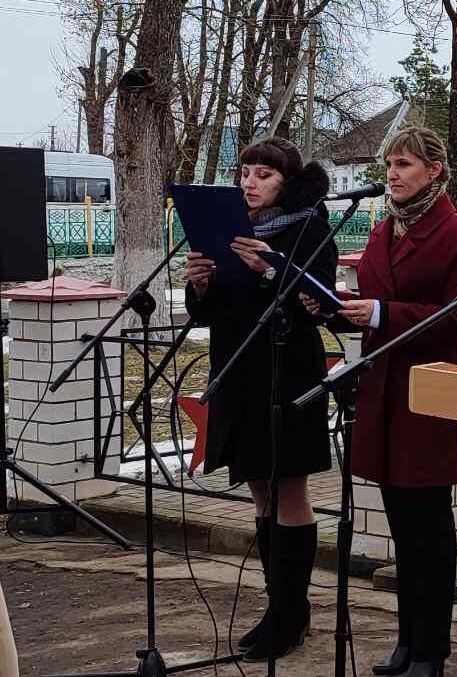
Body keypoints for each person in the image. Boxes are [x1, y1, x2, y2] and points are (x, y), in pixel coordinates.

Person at [308, 126, 457, 677]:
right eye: (389, 165)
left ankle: (432, 650)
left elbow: (455, 319)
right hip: (383, 390)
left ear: (434, 170)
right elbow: (373, 303)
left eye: (403, 164)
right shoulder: (385, 228)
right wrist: (332, 307)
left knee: (430, 529)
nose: (391, 174)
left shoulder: (456, 234)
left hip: (429, 394)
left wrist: (381, 313)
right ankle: (407, 643)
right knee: (402, 530)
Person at [182, 137, 336, 661]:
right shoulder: (229, 230)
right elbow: (210, 313)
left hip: (287, 374)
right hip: (238, 372)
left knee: (288, 491)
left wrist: (269, 269)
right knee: (260, 494)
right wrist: (200, 287)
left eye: (264, 174)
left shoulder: (309, 227)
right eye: (246, 172)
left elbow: (321, 305)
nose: (250, 182)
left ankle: (291, 614)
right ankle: (278, 607)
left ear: (285, 183)